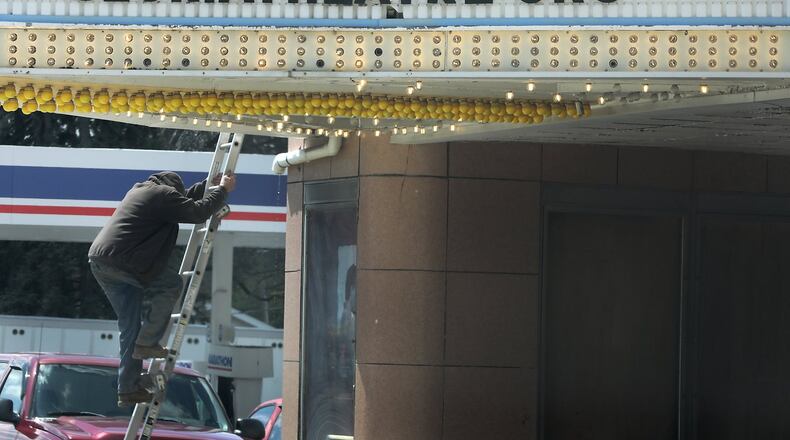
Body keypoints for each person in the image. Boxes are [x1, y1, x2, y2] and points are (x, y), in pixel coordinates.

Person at [88, 171, 236, 406]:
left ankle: (127, 389)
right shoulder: (163, 195)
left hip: (102, 263)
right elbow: (196, 211)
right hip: (126, 261)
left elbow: (183, 200)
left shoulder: (143, 191)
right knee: (172, 283)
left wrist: (208, 184)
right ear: (173, 187)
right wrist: (222, 190)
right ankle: (146, 343)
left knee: (129, 328)